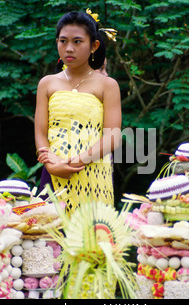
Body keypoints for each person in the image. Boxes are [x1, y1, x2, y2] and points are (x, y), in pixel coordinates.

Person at [34, 10, 121, 214]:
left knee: (91, 240)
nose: (69, 48)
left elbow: (113, 137)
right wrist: (51, 164)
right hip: (53, 172)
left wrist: (76, 161)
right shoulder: (47, 83)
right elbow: (40, 132)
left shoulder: (107, 85)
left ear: (94, 46)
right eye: (63, 41)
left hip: (92, 173)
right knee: (50, 241)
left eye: (77, 41)